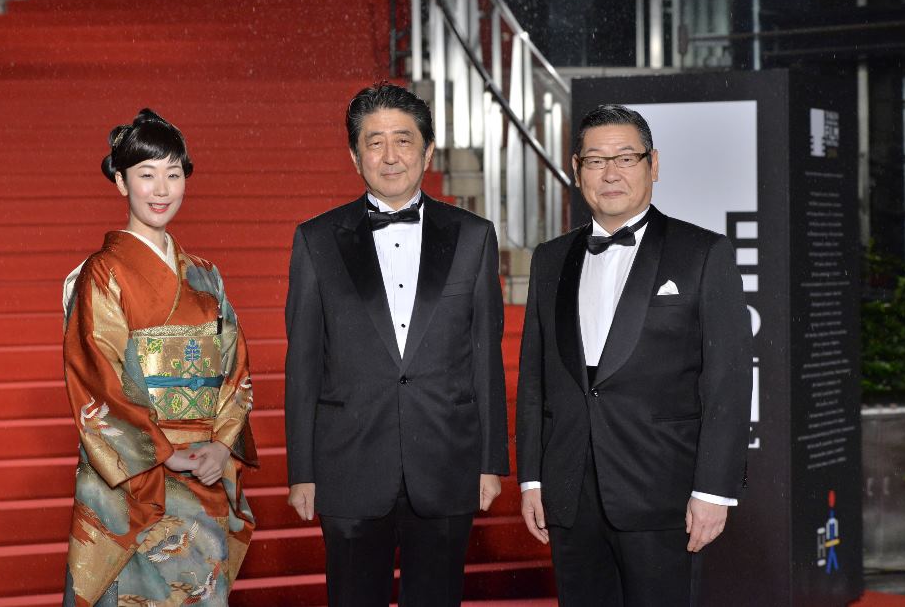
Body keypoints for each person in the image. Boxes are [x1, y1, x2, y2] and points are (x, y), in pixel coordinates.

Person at [515, 104, 753, 606]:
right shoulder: (550, 258)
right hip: (570, 489)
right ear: (576, 170)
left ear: (654, 165)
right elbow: (536, 378)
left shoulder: (703, 253)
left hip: (662, 491)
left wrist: (714, 490)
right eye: (596, 160)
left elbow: (728, 382)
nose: (611, 173)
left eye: (626, 157)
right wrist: (533, 478)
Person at [283, 82, 509, 607]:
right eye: (375, 141)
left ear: (428, 151)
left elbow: (485, 354)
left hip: (447, 459)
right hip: (349, 463)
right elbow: (304, 364)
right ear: (354, 154)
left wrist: (491, 459)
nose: (390, 156)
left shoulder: (473, 235)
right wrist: (303, 471)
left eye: (404, 141)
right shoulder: (316, 239)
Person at [61, 109, 257, 606]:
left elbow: (234, 371)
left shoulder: (206, 276)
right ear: (121, 182)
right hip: (140, 475)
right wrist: (167, 453)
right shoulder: (101, 275)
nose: (162, 188)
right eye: (146, 175)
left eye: (173, 174)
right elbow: (98, 378)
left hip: (204, 469)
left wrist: (221, 447)